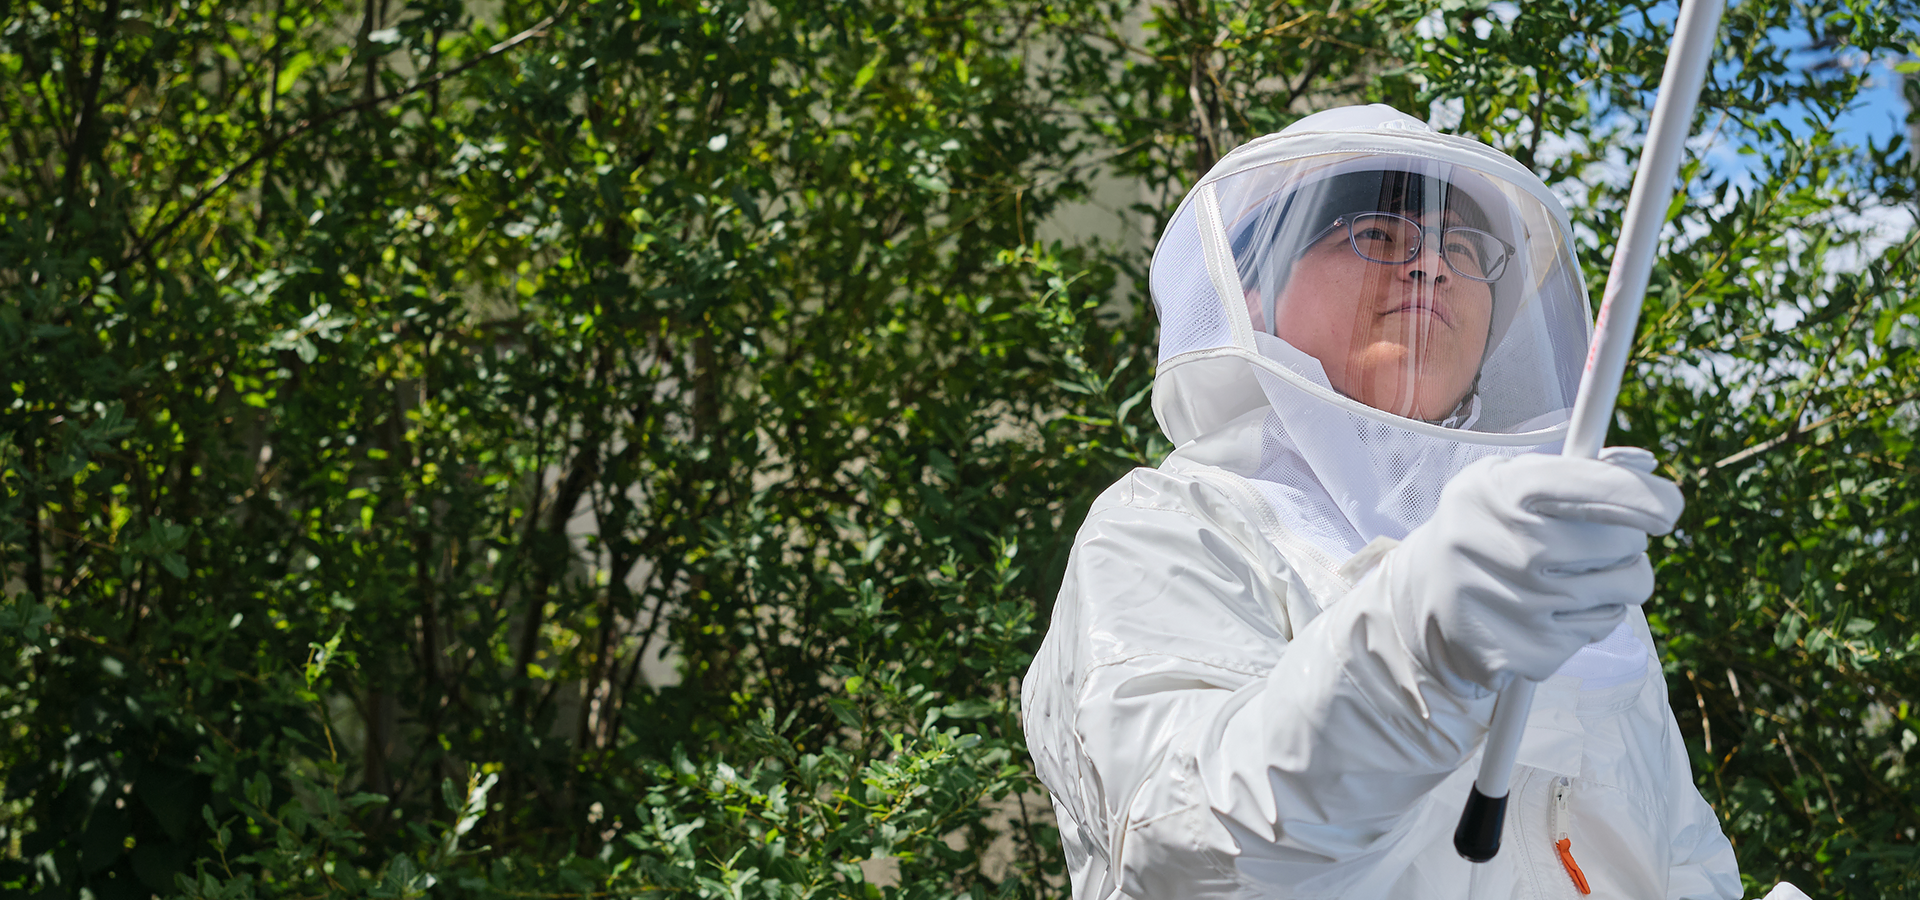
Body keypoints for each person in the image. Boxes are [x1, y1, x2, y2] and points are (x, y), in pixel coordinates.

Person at [1021, 104, 1744, 899]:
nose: (1431, 266)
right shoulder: (1171, 524)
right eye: (1376, 233)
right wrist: (1419, 646)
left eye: (1463, 248)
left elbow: (1681, 860)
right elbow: (1185, 845)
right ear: (1252, 296)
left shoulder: (1545, 572)